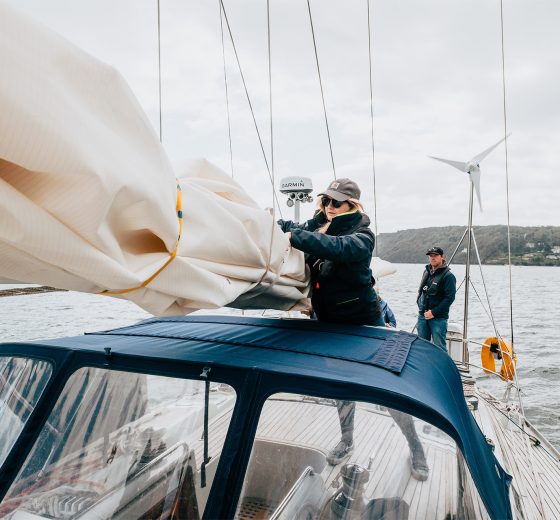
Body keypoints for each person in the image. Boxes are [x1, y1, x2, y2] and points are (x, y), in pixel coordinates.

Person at [278, 178, 429, 480]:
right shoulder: (318, 224)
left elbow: (336, 248)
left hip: (364, 321)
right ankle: (347, 440)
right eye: (326, 201)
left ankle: (416, 447)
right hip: (329, 322)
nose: (329, 207)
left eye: (336, 202)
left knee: (387, 389)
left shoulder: (362, 235)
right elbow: (294, 231)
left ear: (352, 205)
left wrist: (294, 235)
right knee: (342, 388)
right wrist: (270, 225)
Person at [417, 246, 457, 351]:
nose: (433, 258)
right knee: (422, 346)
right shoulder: (426, 272)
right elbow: (421, 291)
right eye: (431, 255)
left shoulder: (448, 276)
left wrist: (433, 312)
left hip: (438, 318)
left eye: (435, 255)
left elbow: (450, 298)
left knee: (439, 348)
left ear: (442, 257)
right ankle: (424, 367)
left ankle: (442, 367)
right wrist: (419, 304)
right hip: (422, 316)